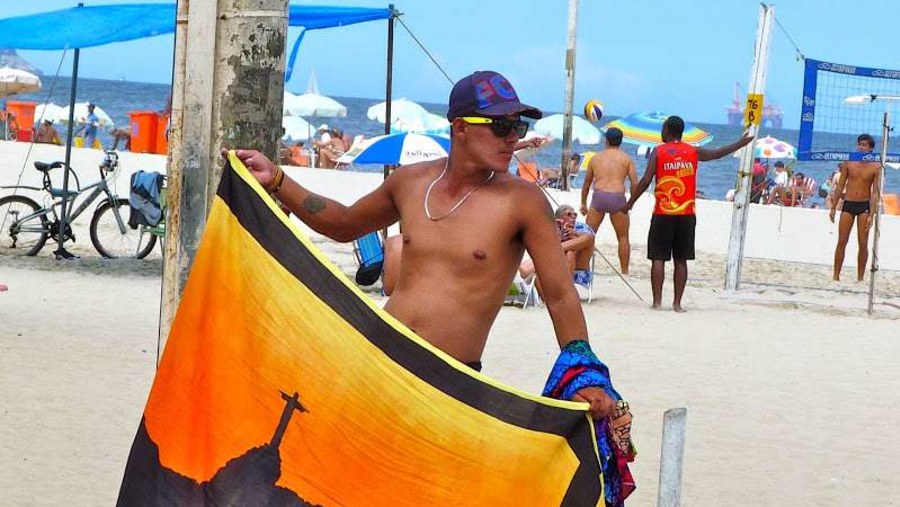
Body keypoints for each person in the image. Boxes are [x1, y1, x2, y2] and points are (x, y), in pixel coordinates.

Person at [231, 70, 616, 419]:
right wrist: (279, 179)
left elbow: (560, 295)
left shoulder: (522, 200)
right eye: (501, 125)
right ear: (461, 127)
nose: (514, 136)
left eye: (518, 124)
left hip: (449, 379)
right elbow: (344, 224)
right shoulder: (411, 182)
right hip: (378, 360)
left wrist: (585, 373)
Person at [621, 116, 753, 312]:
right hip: (686, 213)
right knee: (681, 259)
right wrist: (740, 143)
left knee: (658, 258)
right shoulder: (693, 151)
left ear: (667, 131)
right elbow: (717, 153)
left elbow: (646, 180)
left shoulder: (658, 151)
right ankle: (677, 304)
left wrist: (630, 202)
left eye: (663, 129)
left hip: (663, 212)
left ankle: (657, 303)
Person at [580, 127, 637, 274]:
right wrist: (631, 202)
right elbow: (634, 183)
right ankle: (624, 272)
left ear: (606, 140)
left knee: (588, 236)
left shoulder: (596, 158)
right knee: (623, 237)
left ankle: (583, 267)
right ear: (621, 141)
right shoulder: (626, 159)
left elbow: (586, 183)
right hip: (617, 198)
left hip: (599, 197)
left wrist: (583, 203)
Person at [830, 133, 881, 282]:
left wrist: (873, 214)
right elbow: (840, 186)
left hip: (864, 205)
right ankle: (835, 276)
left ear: (870, 149)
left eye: (864, 145)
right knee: (842, 241)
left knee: (863, 242)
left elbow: (876, 192)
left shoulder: (876, 166)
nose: (860, 147)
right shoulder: (849, 162)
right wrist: (833, 207)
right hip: (848, 204)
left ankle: (860, 277)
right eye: (859, 144)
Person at [519, 204, 596, 299]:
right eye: (568, 214)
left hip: (579, 264)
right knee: (569, 252)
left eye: (574, 215)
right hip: (557, 263)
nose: (573, 217)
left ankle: (555, 250)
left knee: (580, 244)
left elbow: (589, 244)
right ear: (559, 218)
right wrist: (556, 235)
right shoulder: (552, 229)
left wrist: (574, 235)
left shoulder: (582, 229)